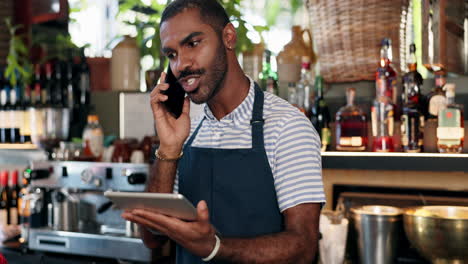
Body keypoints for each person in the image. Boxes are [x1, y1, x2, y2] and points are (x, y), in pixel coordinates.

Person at [122, 0, 326, 263]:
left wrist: (214, 247)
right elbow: (153, 238)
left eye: (193, 44)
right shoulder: (185, 128)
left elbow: (302, 247)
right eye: (171, 55)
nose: (181, 64)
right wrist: (168, 150)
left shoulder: (287, 127)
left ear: (228, 37)